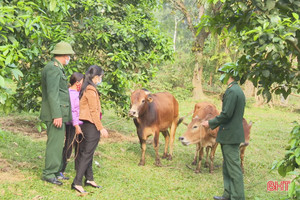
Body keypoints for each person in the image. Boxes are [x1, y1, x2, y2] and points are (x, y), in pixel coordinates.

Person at [201, 63, 246, 200]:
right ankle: (228, 194)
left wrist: (210, 123)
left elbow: (226, 114)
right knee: (227, 167)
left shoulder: (232, 91)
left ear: (229, 74)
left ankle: (237, 197)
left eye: (222, 73)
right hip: (230, 134)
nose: (221, 76)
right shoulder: (235, 90)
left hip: (230, 135)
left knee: (234, 169)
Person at [40, 41, 75, 185]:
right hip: (55, 114)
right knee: (54, 143)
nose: (70, 58)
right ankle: (49, 173)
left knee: (58, 142)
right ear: (64, 55)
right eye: (69, 55)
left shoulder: (57, 68)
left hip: (59, 112)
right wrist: (57, 115)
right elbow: (52, 94)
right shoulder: (53, 69)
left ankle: (55, 171)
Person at [72, 65, 109, 193]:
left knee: (87, 153)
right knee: (86, 154)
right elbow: (93, 112)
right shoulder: (91, 90)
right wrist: (101, 128)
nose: (101, 79)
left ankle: (89, 178)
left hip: (84, 124)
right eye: (101, 77)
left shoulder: (85, 87)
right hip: (90, 125)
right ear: (97, 77)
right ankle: (77, 182)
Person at [59, 72, 84, 178]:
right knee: (69, 146)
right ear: (77, 82)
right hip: (73, 124)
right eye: (82, 82)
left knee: (77, 146)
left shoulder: (76, 93)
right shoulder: (72, 94)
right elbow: (73, 111)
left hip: (77, 123)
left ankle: (77, 168)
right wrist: (76, 126)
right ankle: (60, 169)